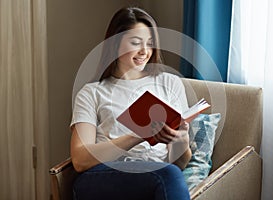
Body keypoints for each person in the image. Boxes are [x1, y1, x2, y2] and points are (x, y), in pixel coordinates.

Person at [70, 7, 192, 200]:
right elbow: (80, 160)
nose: (145, 51)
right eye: (136, 43)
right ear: (115, 44)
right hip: (103, 175)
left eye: (150, 43)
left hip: (156, 173)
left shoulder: (170, 83)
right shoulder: (92, 92)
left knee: (168, 173)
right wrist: (137, 135)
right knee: (167, 174)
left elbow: (180, 163)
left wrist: (181, 140)